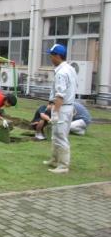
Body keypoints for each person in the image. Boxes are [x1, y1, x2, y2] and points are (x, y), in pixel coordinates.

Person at [43, 44, 77, 174]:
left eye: (51, 55)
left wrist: (56, 112)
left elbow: (60, 95)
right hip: (67, 106)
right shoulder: (70, 69)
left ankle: (63, 165)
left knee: (61, 135)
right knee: (55, 134)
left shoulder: (61, 73)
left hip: (62, 108)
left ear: (57, 56)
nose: (50, 57)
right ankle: (55, 159)